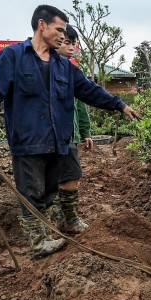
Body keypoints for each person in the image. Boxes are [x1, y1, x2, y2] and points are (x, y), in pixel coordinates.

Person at [0, 4, 139, 257]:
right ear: (41, 25)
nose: (62, 34)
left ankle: (48, 235)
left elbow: (89, 90)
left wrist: (119, 104)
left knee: (49, 191)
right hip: (28, 139)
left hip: (58, 139)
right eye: (59, 29)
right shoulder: (13, 57)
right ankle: (37, 244)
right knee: (31, 192)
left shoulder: (64, 66)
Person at [52, 25, 92, 234]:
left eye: (73, 44)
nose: (70, 48)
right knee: (62, 176)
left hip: (70, 135)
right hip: (51, 134)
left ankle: (66, 217)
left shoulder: (72, 72)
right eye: (66, 42)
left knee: (70, 174)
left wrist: (85, 132)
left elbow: (81, 105)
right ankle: (66, 218)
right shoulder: (46, 69)